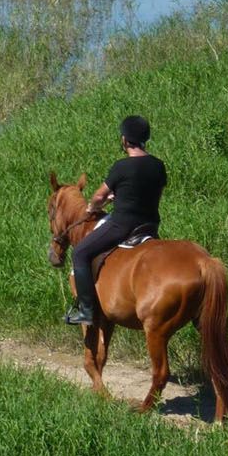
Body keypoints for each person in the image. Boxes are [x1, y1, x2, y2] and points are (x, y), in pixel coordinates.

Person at [64, 115, 168, 326]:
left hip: (122, 226)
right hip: (149, 226)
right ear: (144, 138)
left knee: (80, 252)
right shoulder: (158, 166)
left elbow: (99, 196)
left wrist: (94, 206)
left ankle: (86, 311)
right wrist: (122, 195)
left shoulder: (122, 167)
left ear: (124, 140)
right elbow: (146, 192)